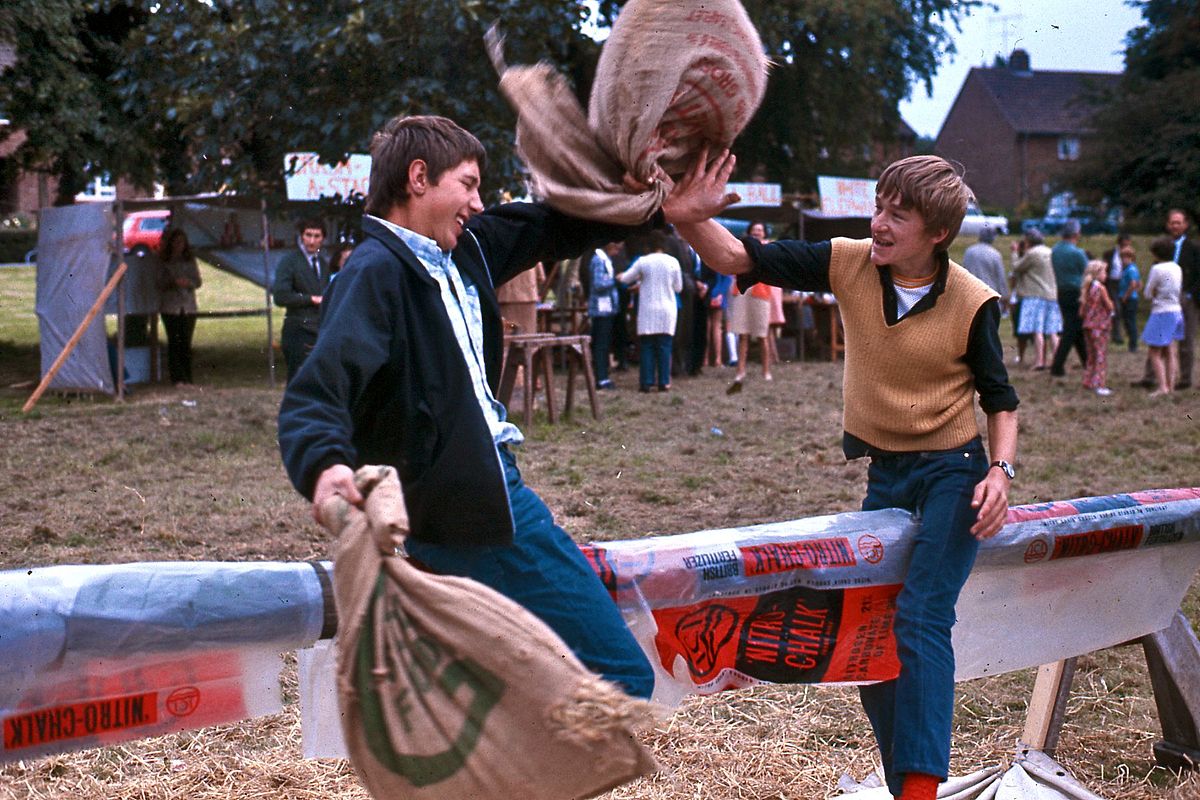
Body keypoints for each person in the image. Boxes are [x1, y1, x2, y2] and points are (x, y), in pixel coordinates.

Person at [662, 150, 1018, 800]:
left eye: (898, 216)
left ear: (937, 233)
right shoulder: (850, 262)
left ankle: (918, 791)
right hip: (887, 474)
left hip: (955, 473)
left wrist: (1000, 472)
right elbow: (741, 260)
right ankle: (904, 781)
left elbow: (1000, 400)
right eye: (879, 207)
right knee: (872, 630)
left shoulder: (972, 301)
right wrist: (685, 217)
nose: (879, 223)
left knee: (921, 618)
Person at [277, 114, 655, 698]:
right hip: (475, 508)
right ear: (419, 177)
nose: (479, 204)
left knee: (499, 688)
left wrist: (646, 198)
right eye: (470, 184)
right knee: (621, 677)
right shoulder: (375, 275)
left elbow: (553, 226)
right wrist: (324, 463)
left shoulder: (466, 250)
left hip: (473, 497)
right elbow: (318, 390)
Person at [1134, 209, 1197, 390]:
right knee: (1160, 340)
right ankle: (1150, 376)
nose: (1175, 226)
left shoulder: (1193, 248)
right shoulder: (1162, 247)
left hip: (1187, 297)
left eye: (1178, 222)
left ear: (1185, 225)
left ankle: (1184, 379)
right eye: (1172, 222)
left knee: (1186, 340)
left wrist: (1190, 294)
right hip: (1165, 300)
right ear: (1167, 224)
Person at [618, 229, 683, 392]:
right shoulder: (673, 262)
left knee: (647, 346)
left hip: (648, 308)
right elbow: (678, 287)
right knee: (664, 346)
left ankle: (646, 382)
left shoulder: (643, 261)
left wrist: (619, 276)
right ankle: (664, 381)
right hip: (667, 308)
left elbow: (626, 278)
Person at [272, 218, 330, 382]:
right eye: (308, 235)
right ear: (301, 237)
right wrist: (311, 299)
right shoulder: (290, 262)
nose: (312, 241)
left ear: (323, 239)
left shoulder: (323, 264)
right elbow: (280, 296)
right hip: (298, 331)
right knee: (298, 381)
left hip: (318, 330)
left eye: (317, 236)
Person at [728, 220, 774, 387]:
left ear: (764, 233)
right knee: (742, 334)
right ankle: (740, 371)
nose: (757, 232)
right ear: (749, 232)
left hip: (761, 292)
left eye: (760, 230)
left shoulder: (769, 248)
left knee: (762, 335)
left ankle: (766, 370)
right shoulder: (742, 247)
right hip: (742, 291)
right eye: (754, 230)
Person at [157, 228, 202, 387]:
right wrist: (173, 283)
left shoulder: (190, 261)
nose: (179, 245)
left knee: (186, 342)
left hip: (188, 307)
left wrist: (188, 283)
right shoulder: (164, 262)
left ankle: (188, 378)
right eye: (176, 242)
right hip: (171, 307)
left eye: (181, 242)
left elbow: (198, 281)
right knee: (174, 342)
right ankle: (177, 378)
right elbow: (159, 283)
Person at [1141, 236, 1186, 396]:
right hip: (1176, 310)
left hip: (1162, 311)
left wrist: (1153, 293)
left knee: (1154, 351)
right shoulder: (1177, 267)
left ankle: (1162, 387)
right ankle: (1171, 384)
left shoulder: (1157, 269)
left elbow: (1148, 292)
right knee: (1170, 350)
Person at [1010, 228, 1060, 370]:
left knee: (1037, 330)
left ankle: (1039, 361)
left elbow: (1016, 267)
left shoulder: (1032, 253)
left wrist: (1014, 252)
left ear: (1029, 241)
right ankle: (1057, 359)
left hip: (1034, 295)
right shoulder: (1050, 252)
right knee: (1052, 330)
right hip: (1052, 294)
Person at [1049, 219, 1089, 377]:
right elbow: (1088, 272)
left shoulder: (1056, 250)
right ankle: (1057, 365)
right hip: (1077, 293)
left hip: (1061, 291)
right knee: (1071, 330)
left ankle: (1087, 363)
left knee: (1076, 329)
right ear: (1076, 234)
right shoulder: (1078, 253)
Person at [587, 243, 622, 389]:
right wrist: (615, 280)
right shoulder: (599, 260)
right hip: (601, 309)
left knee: (604, 343)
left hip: (607, 308)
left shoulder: (605, 259)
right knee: (601, 344)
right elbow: (598, 283)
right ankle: (601, 378)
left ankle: (603, 375)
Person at [1079, 259, 1114, 396]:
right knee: (1100, 355)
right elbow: (1109, 305)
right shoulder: (1101, 288)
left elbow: (1081, 311)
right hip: (1100, 325)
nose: (1106, 275)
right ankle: (1099, 384)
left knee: (1091, 355)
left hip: (1088, 325)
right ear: (1097, 273)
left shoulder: (1086, 289)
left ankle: (1088, 380)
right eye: (1104, 271)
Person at [962, 225, 1008, 306]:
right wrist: (1004, 296)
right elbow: (1000, 277)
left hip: (970, 292)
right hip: (989, 294)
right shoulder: (995, 254)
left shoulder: (969, 251)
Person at [1103, 233, 1132, 346]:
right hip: (1111, 282)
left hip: (1122, 282)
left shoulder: (1129, 255)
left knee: (1120, 308)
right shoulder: (1110, 254)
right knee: (1116, 307)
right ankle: (1116, 334)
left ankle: (1118, 333)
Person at [1117, 245, 1141, 352]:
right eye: (1122, 258)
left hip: (1129, 299)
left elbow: (1133, 284)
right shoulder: (1126, 269)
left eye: (1126, 258)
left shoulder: (1131, 269)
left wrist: (1126, 296)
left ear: (1131, 258)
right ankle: (1131, 343)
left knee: (1130, 321)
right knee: (1127, 321)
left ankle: (1133, 345)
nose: (1123, 260)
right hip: (1126, 297)